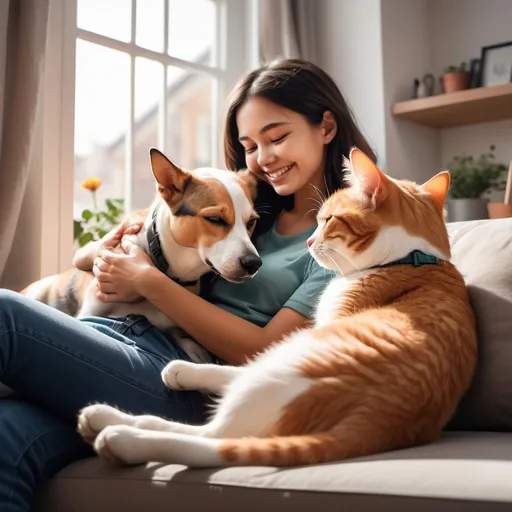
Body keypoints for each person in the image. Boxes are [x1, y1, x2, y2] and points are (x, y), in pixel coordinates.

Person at [0, 58, 375, 511]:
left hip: (189, 383)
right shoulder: (242, 209)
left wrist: (149, 281)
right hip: (121, 348)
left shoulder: (344, 239)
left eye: (277, 137)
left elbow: (263, 353)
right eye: (249, 144)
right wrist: (113, 256)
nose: (263, 158)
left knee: (5, 315)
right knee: (7, 436)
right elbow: (111, 248)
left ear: (327, 127)